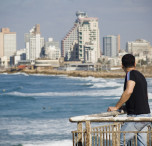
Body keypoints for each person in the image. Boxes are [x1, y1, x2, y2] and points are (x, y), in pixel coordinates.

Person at [107, 54, 151, 146]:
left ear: (122, 65)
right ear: (135, 63)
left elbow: (129, 91)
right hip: (145, 115)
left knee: (119, 140)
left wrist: (116, 107)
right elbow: (144, 96)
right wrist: (127, 106)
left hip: (136, 116)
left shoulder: (130, 74)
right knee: (142, 144)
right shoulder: (141, 75)